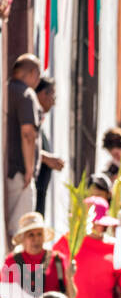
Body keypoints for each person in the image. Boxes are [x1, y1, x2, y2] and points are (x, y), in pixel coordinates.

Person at [1, 211, 70, 298]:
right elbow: (2, 297)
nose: (35, 239)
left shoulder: (57, 260)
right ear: (23, 238)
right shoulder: (11, 261)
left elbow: (69, 297)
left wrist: (71, 277)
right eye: (30, 235)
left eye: (39, 234)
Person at [5, 53, 41, 250]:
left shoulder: (6, 89)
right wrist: (29, 170)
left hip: (9, 167)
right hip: (20, 172)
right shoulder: (26, 94)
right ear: (32, 73)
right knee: (25, 232)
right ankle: (22, 280)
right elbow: (28, 133)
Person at [34, 76, 64, 217]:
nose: (54, 102)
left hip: (40, 192)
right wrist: (46, 158)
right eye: (53, 95)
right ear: (42, 94)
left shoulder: (38, 120)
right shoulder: (29, 118)